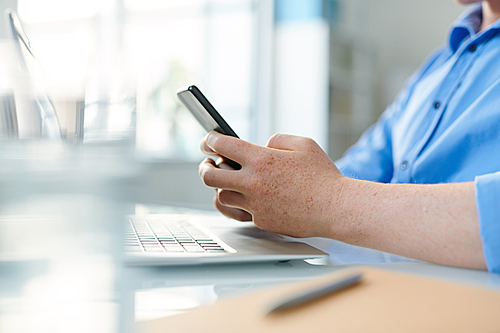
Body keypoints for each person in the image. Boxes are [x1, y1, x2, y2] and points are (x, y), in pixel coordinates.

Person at [198, 0, 500, 273]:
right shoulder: (437, 65)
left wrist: (323, 201)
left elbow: (333, 195)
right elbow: (364, 163)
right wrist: (273, 194)